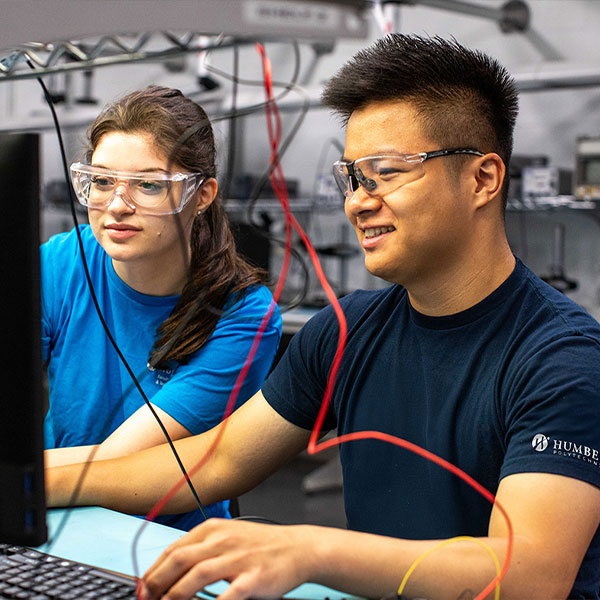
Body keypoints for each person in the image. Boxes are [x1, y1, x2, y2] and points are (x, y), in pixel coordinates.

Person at [46, 36, 600, 600]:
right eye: (353, 177)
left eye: (386, 172)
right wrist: (26, 482)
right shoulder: (347, 332)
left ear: (482, 179)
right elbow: (212, 464)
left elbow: (531, 575)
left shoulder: (563, 360)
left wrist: (312, 549)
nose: (358, 201)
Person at [42, 85, 282, 531]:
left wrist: (18, 480)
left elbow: (123, 462)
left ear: (202, 194)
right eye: (102, 180)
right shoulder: (60, 263)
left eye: (148, 185)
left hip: (165, 539)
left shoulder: (243, 316)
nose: (117, 205)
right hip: (58, 522)